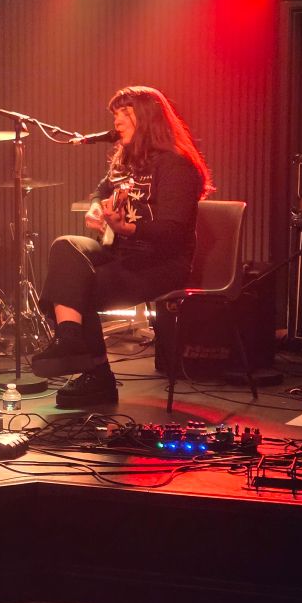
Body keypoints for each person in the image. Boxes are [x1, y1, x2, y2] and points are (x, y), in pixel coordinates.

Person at [31, 86, 214, 407]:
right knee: (65, 247)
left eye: (125, 113)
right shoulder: (125, 160)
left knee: (78, 285)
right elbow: (100, 192)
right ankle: (71, 338)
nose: (117, 121)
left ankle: (97, 376)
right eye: (115, 114)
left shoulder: (176, 165)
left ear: (148, 118)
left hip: (161, 264)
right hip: (122, 253)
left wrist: (126, 227)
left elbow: (173, 231)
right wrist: (95, 208)